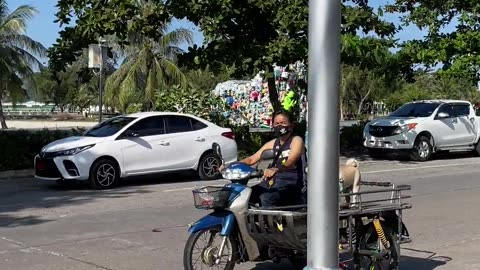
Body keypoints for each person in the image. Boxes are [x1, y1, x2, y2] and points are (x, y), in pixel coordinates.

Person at [234, 110, 307, 207]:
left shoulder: (296, 140)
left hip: (290, 184)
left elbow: (291, 160)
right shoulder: (273, 143)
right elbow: (251, 159)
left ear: (291, 125)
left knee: (266, 197)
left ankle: (270, 221)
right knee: (243, 194)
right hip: (272, 183)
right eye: (277, 123)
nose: (280, 126)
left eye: (283, 123)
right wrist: (231, 166)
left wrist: (276, 169)